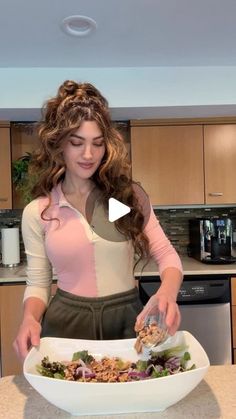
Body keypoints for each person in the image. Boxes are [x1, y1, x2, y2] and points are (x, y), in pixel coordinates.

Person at [13, 80, 183, 361]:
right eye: (76, 143)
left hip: (127, 318)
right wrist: (30, 318)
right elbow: (38, 282)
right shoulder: (40, 211)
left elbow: (166, 254)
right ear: (58, 145)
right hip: (66, 323)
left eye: (98, 143)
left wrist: (167, 292)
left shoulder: (121, 202)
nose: (89, 154)